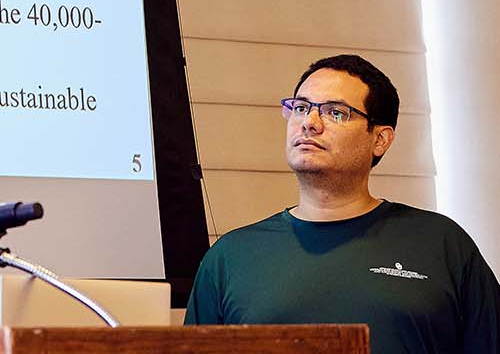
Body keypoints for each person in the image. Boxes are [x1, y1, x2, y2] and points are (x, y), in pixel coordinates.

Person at [184, 54, 499, 353]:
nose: (309, 122)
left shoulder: (441, 243)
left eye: (335, 112)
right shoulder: (230, 257)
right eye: (300, 107)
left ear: (380, 139)